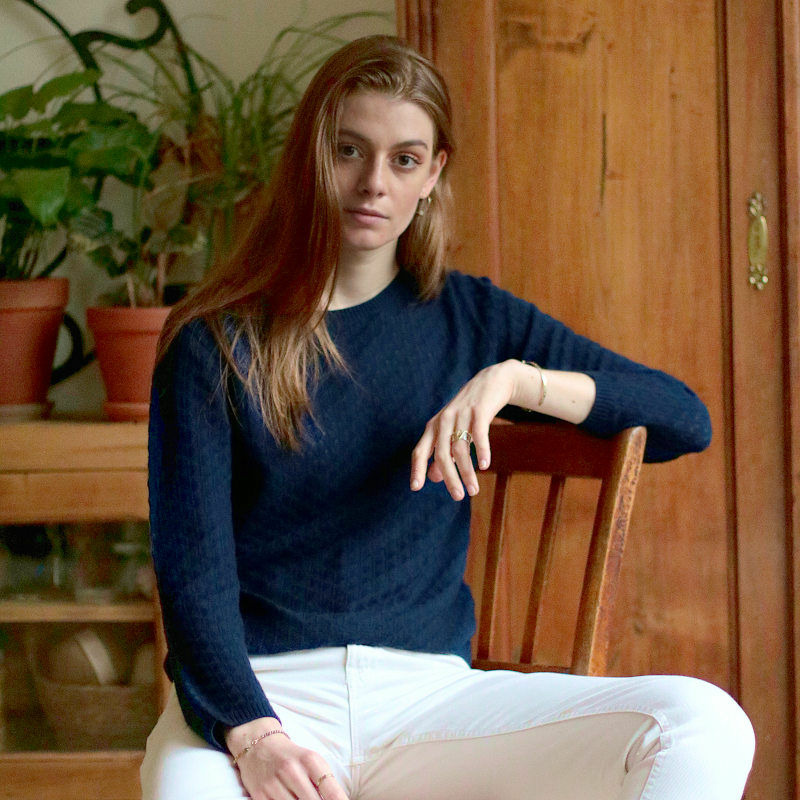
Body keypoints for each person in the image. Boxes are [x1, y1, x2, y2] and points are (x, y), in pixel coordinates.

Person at [141, 34, 754, 800]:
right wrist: (254, 735)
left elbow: (683, 419)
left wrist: (518, 381)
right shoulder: (213, 341)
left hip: (429, 703)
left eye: (403, 160)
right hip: (259, 696)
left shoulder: (474, 320)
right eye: (348, 150)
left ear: (433, 174)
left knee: (703, 724)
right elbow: (192, 577)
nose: (373, 183)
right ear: (310, 157)